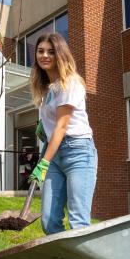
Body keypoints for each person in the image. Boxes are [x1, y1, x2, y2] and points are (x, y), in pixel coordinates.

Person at [28, 33, 97, 235]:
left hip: (78, 151)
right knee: (49, 220)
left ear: (61, 55)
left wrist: (42, 163)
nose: (45, 55)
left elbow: (62, 126)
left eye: (51, 51)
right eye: (40, 51)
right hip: (54, 153)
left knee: (78, 220)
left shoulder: (71, 82)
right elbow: (51, 127)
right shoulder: (48, 88)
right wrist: (42, 127)